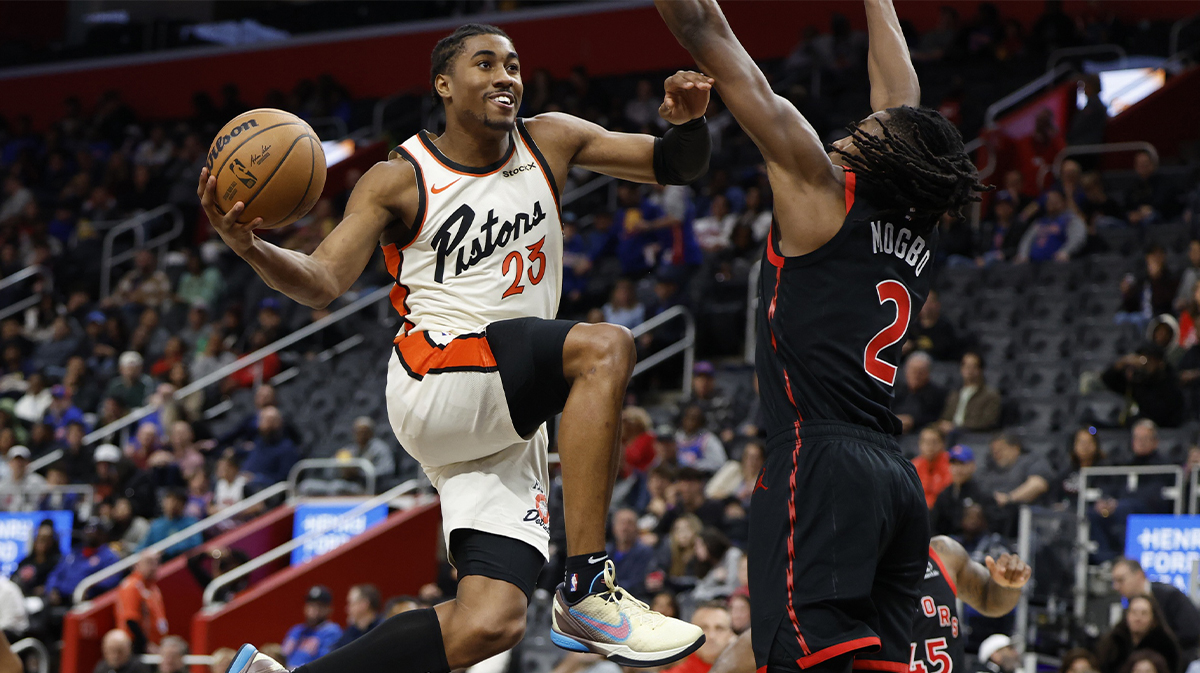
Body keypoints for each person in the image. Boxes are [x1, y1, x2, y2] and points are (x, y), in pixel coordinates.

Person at [212, 23, 710, 672]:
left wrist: (691, 124)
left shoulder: (551, 137)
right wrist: (252, 247)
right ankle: (587, 586)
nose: (506, 75)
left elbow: (675, 164)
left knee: (490, 622)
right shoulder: (398, 178)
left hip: (506, 412)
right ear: (444, 85)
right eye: (485, 63)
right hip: (438, 375)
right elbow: (321, 283)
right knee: (604, 347)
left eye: (513, 64)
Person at [657, 1, 987, 672]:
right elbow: (903, 99)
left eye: (871, 126)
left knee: (794, 655)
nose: (859, 123)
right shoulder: (914, 217)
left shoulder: (819, 187)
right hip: (891, 480)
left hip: (820, 458)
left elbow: (705, 30)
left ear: (882, 152)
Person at [706, 536, 1032, 673]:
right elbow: (739, 659)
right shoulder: (829, 580)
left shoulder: (942, 553)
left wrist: (1006, 585)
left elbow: (991, 601)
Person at [1112, 558, 1200, 662]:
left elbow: (1192, 630)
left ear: (1139, 575)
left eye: (1121, 580)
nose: (1116, 587)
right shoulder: (1128, 604)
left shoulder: (1170, 596)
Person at [1097, 595, 1182, 673]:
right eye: (1134, 612)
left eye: (1144, 613)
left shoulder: (1166, 647)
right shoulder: (1112, 642)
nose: (1138, 618)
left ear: (1154, 619)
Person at [937, 351, 1002, 434]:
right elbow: (946, 417)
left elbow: (988, 422)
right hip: (949, 434)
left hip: (972, 435)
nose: (969, 370)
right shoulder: (954, 394)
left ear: (980, 370)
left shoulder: (991, 395)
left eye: (973, 366)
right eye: (966, 366)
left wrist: (958, 427)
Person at [116, 550, 168, 654]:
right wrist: (146, 645)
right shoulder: (131, 586)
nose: (154, 567)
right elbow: (130, 620)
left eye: (156, 562)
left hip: (155, 645)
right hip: (137, 647)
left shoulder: (154, 588)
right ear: (137, 565)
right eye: (149, 562)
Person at [282, 586, 343, 668]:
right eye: (310, 605)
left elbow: (324, 664)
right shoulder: (297, 630)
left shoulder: (332, 632)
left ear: (328, 609)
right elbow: (281, 656)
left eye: (318, 606)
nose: (313, 610)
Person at [607, 507, 657, 600]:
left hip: (635, 600)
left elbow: (639, 583)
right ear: (614, 528)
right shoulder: (606, 551)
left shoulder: (645, 552)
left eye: (629, 523)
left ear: (637, 528)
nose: (624, 528)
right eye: (621, 523)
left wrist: (608, 588)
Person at [892, 352, 947, 435]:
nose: (916, 376)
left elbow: (935, 418)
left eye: (920, 372)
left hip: (920, 434)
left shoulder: (937, 394)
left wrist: (913, 421)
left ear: (928, 373)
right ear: (906, 371)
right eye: (913, 371)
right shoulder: (896, 389)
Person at [138, 488, 201, 559]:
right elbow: (142, 547)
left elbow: (196, 543)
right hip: (161, 565)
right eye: (169, 501)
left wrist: (167, 550)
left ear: (183, 504)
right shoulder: (156, 525)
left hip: (186, 562)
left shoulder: (190, 522)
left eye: (176, 501)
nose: (172, 505)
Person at [333, 585, 383, 650]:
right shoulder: (350, 632)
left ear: (364, 604)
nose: (347, 609)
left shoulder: (382, 630)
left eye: (351, 604)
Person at [912, 426, 951, 508]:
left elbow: (946, 494)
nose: (929, 446)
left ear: (943, 444)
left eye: (934, 442)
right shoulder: (914, 465)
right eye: (925, 442)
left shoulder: (950, 464)